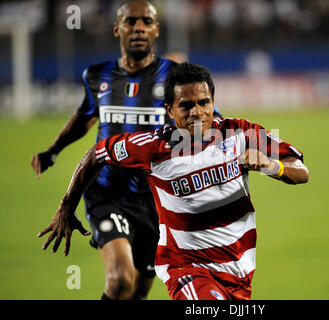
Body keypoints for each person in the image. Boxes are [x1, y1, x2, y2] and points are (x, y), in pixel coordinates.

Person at [38, 62, 309, 300]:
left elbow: (300, 170)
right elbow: (97, 153)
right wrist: (66, 206)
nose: (197, 112)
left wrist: (271, 165)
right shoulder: (153, 147)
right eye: (186, 105)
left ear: (213, 102)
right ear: (169, 109)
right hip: (187, 269)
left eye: (204, 103)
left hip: (239, 269)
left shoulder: (240, 133)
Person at [32, 0, 219, 300]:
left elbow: (210, 120)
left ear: (157, 29)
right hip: (107, 192)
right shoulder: (97, 76)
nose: (139, 28)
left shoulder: (177, 78)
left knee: (137, 292)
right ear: (117, 28)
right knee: (120, 279)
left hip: (157, 199)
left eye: (146, 21)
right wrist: (53, 151)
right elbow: (85, 116)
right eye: (131, 22)